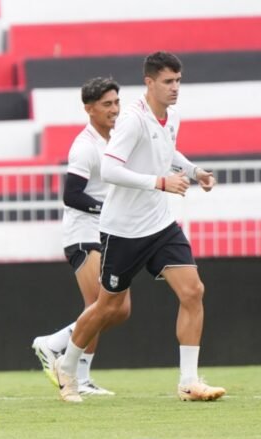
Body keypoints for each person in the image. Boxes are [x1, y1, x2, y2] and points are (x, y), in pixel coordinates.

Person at [53, 52, 226, 403]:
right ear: (149, 82)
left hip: (161, 224)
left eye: (178, 80)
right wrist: (160, 183)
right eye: (167, 81)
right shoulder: (132, 119)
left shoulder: (170, 116)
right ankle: (67, 367)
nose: (175, 88)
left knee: (193, 291)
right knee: (106, 307)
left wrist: (195, 172)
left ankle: (189, 381)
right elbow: (112, 169)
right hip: (124, 229)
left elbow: (168, 152)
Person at [31, 77, 130, 396]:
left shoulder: (116, 140)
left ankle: (63, 352)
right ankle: (58, 354)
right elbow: (72, 195)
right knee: (100, 306)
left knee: (118, 309)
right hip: (84, 236)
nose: (114, 109)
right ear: (89, 109)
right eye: (107, 104)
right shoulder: (85, 146)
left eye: (116, 102)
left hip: (109, 234)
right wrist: (107, 208)